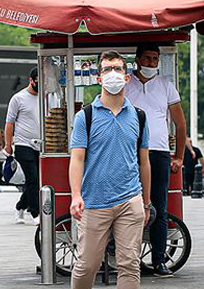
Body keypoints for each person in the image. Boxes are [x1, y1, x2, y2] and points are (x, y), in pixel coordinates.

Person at [69, 50, 151, 289]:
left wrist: (145, 202)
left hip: (130, 200)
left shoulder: (139, 116)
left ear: (127, 78)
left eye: (117, 69)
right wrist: (76, 195)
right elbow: (77, 159)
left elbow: (144, 162)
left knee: (129, 265)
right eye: (106, 69)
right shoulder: (86, 116)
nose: (112, 74)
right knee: (87, 264)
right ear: (98, 78)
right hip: (94, 203)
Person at [124, 44, 187, 277]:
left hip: (159, 152)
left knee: (159, 207)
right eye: (148, 58)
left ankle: (159, 260)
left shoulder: (166, 86)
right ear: (138, 59)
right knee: (127, 206)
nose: (152, 63)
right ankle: (125, 259)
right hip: (129, 151)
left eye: (155, 59)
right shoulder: (125, 84)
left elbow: (180, 124)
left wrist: (179, 156)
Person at [4, 67, 41, 225]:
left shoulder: (46, 97)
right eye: (38, 81)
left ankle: (20, 206)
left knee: (38, 181)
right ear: (31, 80)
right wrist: (8, 144)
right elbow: (9, 123)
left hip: (41, 145)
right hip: (22, 143)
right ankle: (35, 213)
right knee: (32, 179)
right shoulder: (18, 98)